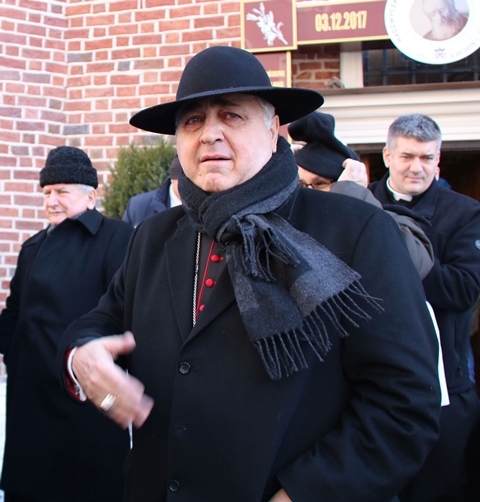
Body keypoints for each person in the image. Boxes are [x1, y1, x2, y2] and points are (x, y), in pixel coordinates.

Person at [61, 46, 441, 502]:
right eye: (193, 121)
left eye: (231, 115)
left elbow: (403, 405)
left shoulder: (356, 231)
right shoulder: (154, 235)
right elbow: (101, 322)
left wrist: (302, 495)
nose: (210, 134)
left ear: (274, 129)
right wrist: (81, 358)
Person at [0, 146, 133, 502]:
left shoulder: (118, 238)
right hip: (31, 398)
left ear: (90, 197)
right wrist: (12, 353)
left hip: (85, 399)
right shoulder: (32, 247)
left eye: (61, 191)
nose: (51, 201)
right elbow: (14, 313)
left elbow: (124, 312)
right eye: (46, 192)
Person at [369, 113, 480, 502]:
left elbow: (464, 289)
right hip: (373, 380)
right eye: (407, 156)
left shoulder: (465, 213)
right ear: (388, 156)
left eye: (427, 158)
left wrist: (403, 255)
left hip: (444, 382)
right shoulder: (358, 203)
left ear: (438, 159)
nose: (417, 168)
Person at [288, 111, 435, 279]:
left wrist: (353, 199)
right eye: (301, 185)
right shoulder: (288, 220)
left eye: (320, 184)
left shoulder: (393, 220)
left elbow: (413, 264)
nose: (309, 192)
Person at [122, 152, 182, 227]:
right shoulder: (137, 207)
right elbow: (124, 234)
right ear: (173, 179)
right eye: (183, 180)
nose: (188, 186)